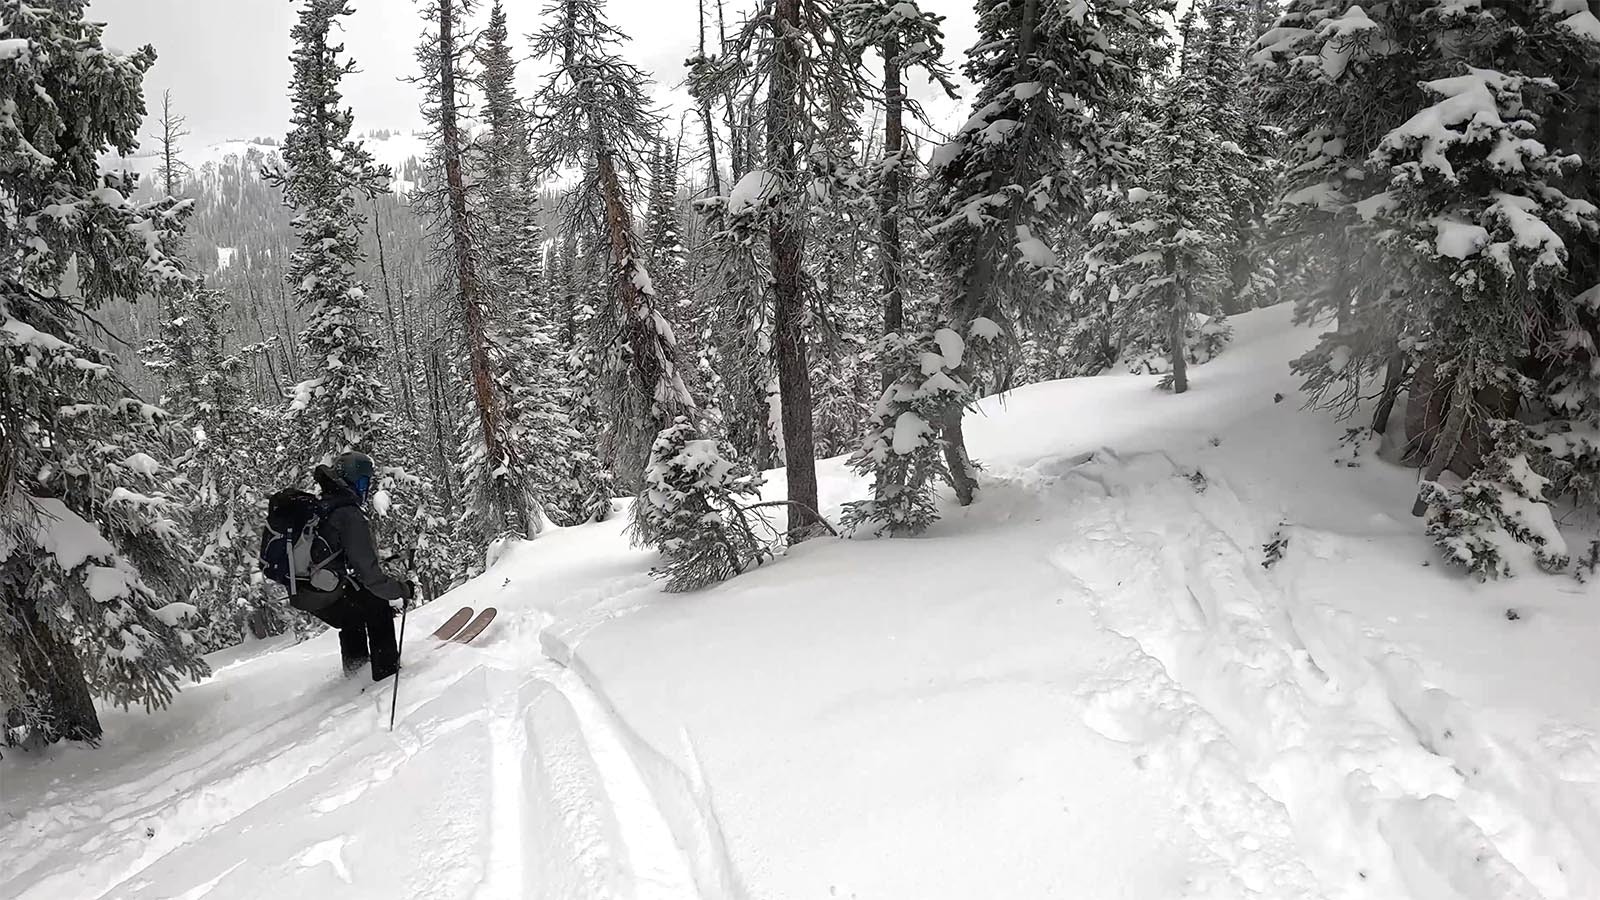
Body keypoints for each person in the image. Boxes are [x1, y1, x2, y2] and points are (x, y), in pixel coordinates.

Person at [309, 451, 414, 681]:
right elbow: (370, 576)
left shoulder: (325, 506)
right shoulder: (348, 514)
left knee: (353, 615)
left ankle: (356, 676)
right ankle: (386, 674)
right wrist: (401, 589)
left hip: (311, 591)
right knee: (376, 603)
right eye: (363, 481)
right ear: (352, 479)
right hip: (327, 589)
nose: (365, 488)